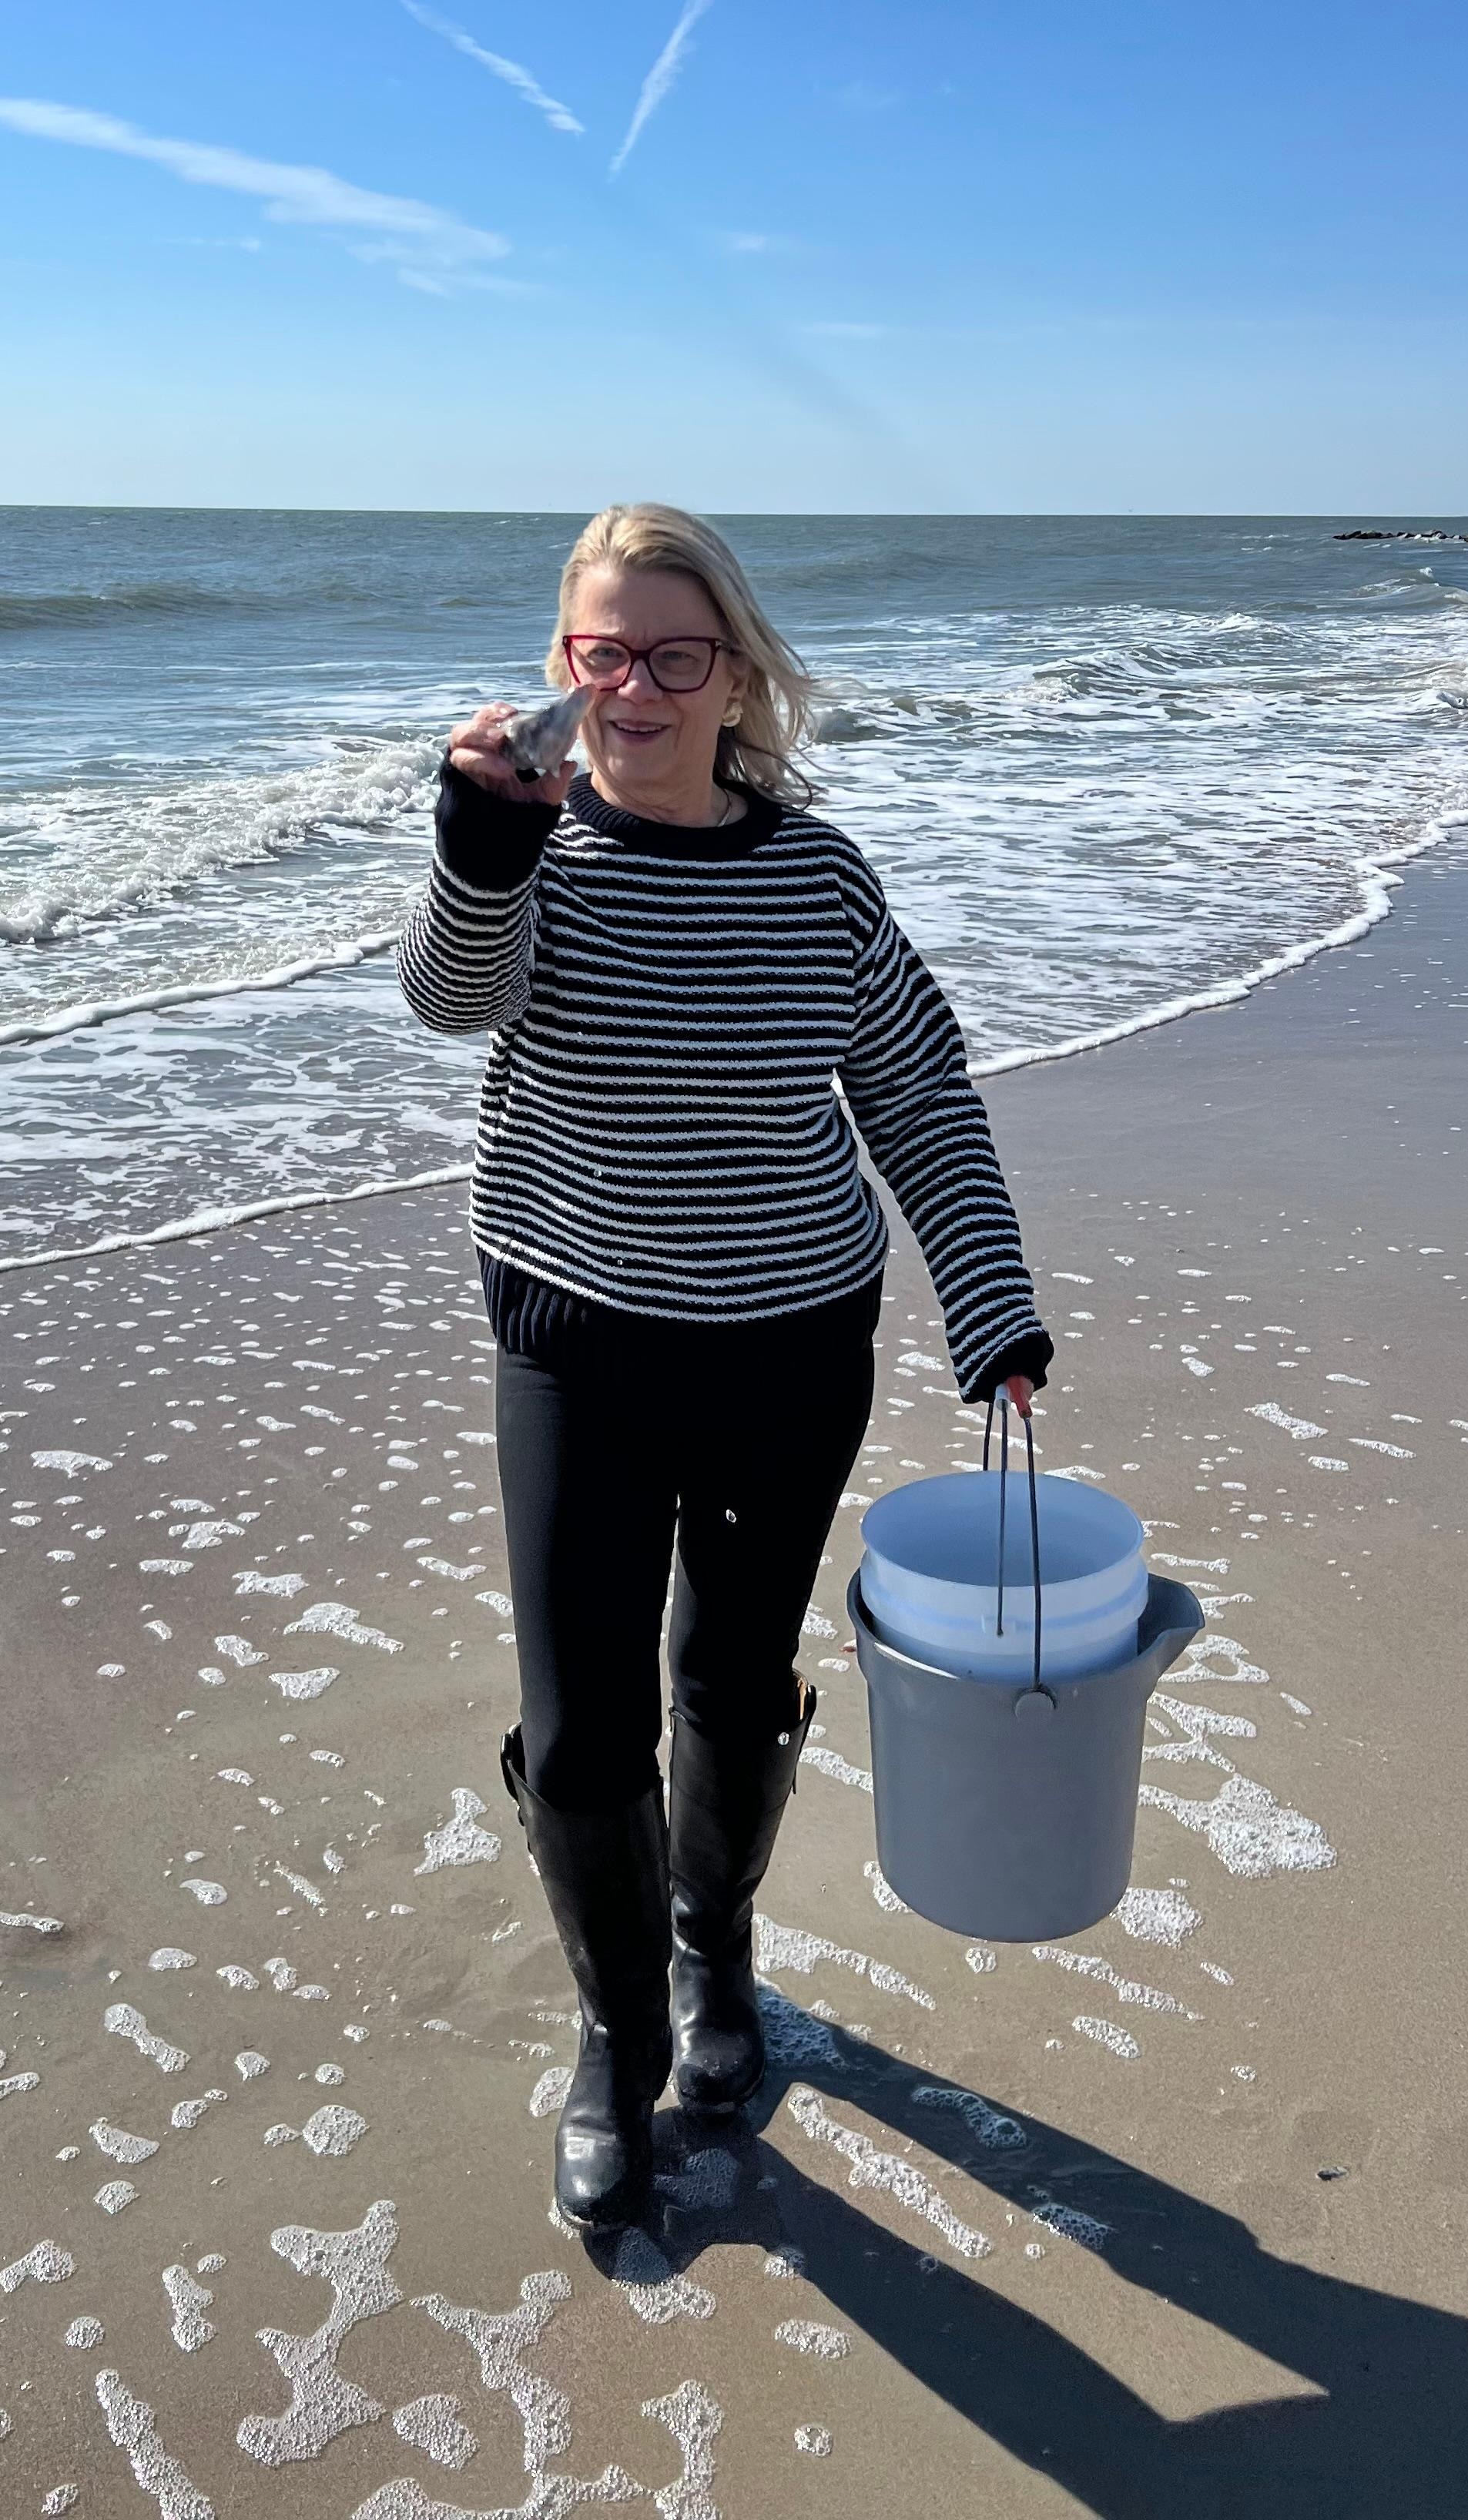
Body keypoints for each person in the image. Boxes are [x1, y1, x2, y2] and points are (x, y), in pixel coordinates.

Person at [397, 503, 1053, 2230]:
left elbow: (912, 1088)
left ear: (736, 675)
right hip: (574, 1339)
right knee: (582, 1717)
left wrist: (990, 1304)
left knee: (735, 1678)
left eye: (674, 654)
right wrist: (477, 847)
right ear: (563, 668)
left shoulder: (819, 876)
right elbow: (451, 1000)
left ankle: (713, 1956)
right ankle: (612, 2039)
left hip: (787, 1349)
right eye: (600, 652)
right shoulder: (531, 855)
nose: (633, 685)